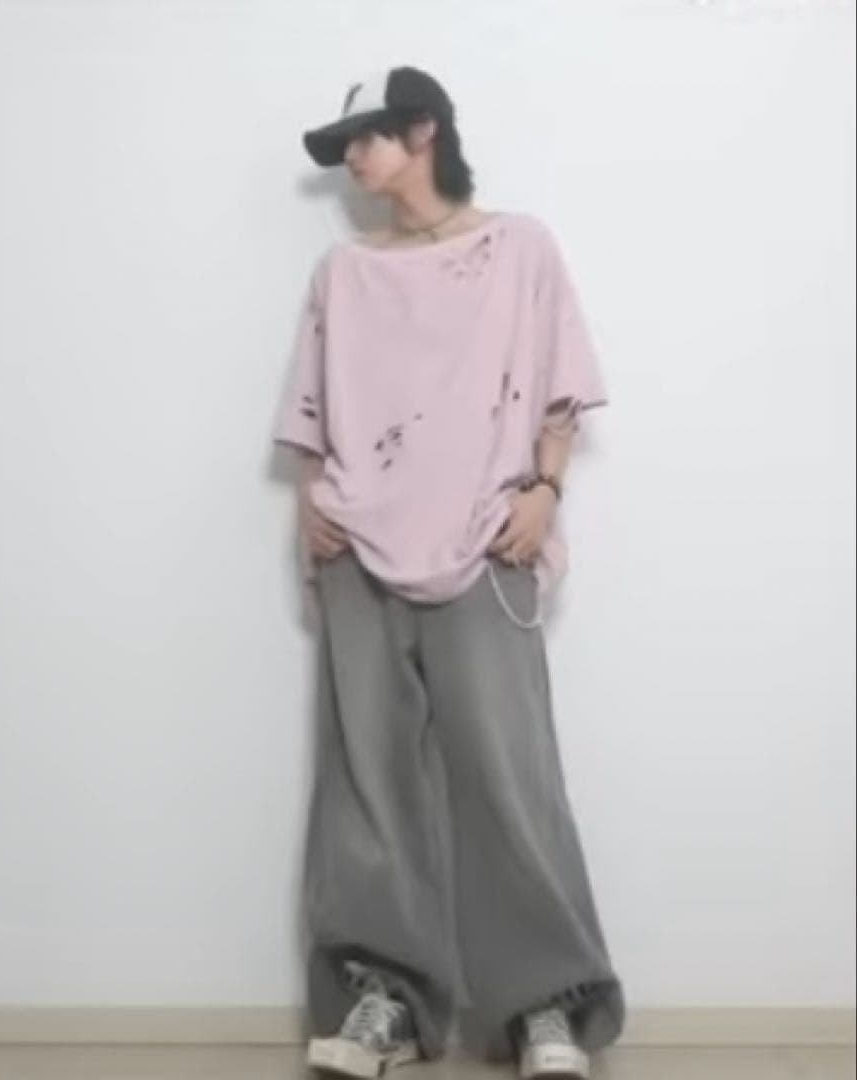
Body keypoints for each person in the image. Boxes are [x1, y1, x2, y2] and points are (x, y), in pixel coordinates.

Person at [270, 65, 625, 1080]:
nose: (351, 157)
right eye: (342, 145)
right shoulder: (344, 272)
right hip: (356, 546)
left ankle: (544, 1004)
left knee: (506, 772)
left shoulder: (519, 248)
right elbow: (313, 410)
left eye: (366, 137)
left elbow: (558, 387)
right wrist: (309, 507)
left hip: (486, 539)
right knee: (368, 781)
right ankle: (383, 998)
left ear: (422, 130)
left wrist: (544, 491)